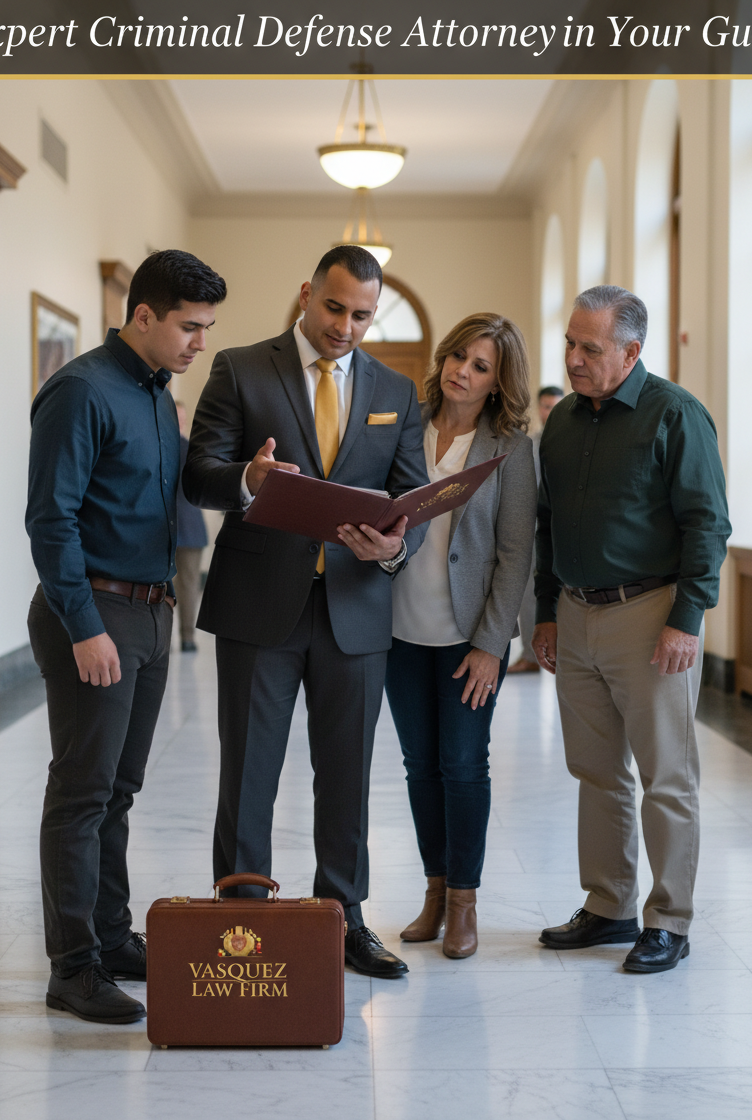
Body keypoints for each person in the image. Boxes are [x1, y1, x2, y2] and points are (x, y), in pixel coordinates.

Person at [183, 245, 430, 979]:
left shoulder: (397, 389)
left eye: (361, 314)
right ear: (306, 294)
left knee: (347, 773)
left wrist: (387, 548)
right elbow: (199, 474)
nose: (345, 327)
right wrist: (249, 480)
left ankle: (345, 919)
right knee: (250, 769)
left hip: (356, 607)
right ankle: (242, 913)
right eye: (334, 308)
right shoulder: (240, 367)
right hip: (260, 605)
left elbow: (409, 505)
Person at [26, 250, 227, 1023]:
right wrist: (82, 627)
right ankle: (71, 966)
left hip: (149, 611)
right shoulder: (81, 391)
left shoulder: (155, 391)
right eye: (189, 327)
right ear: (143, 314)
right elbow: (51, 520)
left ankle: (111, 937)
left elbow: (176, 493)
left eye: (207, 329)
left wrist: (247, 480)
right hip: (96, 614)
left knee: (119, 790)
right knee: (80, 794)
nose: (198, 343)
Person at [533, 285, 731, 973]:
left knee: (665, 775)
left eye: (591, 348)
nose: (576, 358)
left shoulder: (673, 414)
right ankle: (609, 905)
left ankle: (669, 919)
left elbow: (707, 522)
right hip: (577, 611)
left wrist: (687, 618)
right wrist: (548, 612)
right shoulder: (559, 424)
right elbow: (545, 524)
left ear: (631, 351)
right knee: (595, 771)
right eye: (571, 343)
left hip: (650, 615)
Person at [385, 314, 537, 958]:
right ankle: (433, 891)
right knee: (420, 766)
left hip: (467, 637)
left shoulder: (512, 450)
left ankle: (465, 903)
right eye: (457, 357)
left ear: (499, 383)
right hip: (395, 629)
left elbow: (514, 554)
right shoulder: (401, 427)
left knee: (463, 765)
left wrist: (491, 645)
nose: (462, 372)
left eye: (481, 366)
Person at [507, 384, 564, 674]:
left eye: (556, 405)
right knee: (532, 592)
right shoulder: (530, 445)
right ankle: (530, 655)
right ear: (539, 409)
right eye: (545, 406)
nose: (550, 411)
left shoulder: (573, 442)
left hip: (565, 533)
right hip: (534, 532)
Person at [173, 400, 209, 652]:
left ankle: (185, 637)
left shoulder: (191, 449)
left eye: (182, 417)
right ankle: (184, 638)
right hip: (173, 527)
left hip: (186, 527)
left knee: (185, 586)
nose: (180, 421)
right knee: (185, 585)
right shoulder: (190, 449)